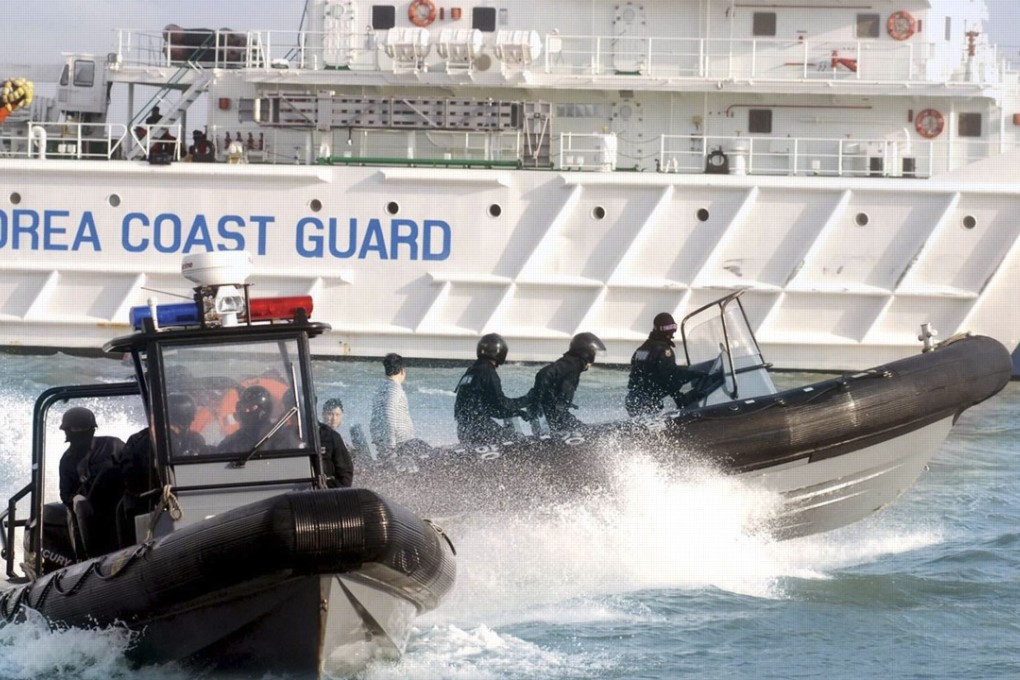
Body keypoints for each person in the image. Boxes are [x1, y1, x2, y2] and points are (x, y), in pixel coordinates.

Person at [57, 406, 126, 558]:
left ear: (92, 428)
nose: (81, 431)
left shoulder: (113, 445)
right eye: (76, 428)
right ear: (67, 431)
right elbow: (66, 493)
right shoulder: (67, 461)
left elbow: (134, 468)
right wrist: (75, 499)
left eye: (85, 427)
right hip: (93, 514)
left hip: (122, 504)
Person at [453, 333, 530, 445]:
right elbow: (501, 404)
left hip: (463, 431)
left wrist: (517, 412)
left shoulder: (471, 371)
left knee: (508, 434)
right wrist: (526, 401)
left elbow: (489, 409)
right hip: (480, 430)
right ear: (501, 352)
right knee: (518, 442)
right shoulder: (487, 372)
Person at [625, 312, 699, 417]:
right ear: (661, 329)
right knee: (652, 425)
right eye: (669, 327)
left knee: (641, 426)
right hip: (647, 401)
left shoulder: (642, 349)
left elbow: (654, 376)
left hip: (632, 399)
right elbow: (671, 376)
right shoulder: (663, 350)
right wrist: (695, 375)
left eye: (673, 326)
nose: (672, 331)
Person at [528, 332, 606, 432]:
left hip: (558, 414)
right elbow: (544, 373)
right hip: (554, 414)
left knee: (582, 429)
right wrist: (537, 399)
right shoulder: (570, 364)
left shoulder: (574, 365)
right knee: (585, 431)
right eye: (593, 354)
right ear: (586, 353)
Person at [217, 385, 300, 453]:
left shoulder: (284, 436)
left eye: (251, 407)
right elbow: (218, 456)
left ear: (264, 409)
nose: (246, 411)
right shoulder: (234, 440)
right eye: (244, 407)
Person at [369, 354, 415, 457]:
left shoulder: (380, 389)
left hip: (385, 441)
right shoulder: (394, 388)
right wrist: (390, 445)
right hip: (399, 444)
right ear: (402, 371)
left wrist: (377, 439)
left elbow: (374, 418)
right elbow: (389, 413)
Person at [319, 397, 354, 487]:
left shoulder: (340, 439)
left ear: (341, 416)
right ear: (323, 415)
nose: (334, 418)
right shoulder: (318, 436)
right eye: (330, 414)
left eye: (337, 415)